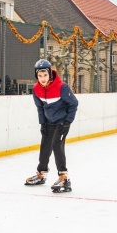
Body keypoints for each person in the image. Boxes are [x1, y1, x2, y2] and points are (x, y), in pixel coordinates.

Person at [25, 59, 78, 193]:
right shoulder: (36, 89)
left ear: (50, 74)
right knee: (45, 146)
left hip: (62, 122)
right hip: (48, 122)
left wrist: (68, 122)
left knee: (56, 145)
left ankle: (63, 177)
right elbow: (40, 108)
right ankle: (41, 174)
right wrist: (42, 123)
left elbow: (74, 104)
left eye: (45, 75)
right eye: (40, 76)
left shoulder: (62, 87)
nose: (42, 79)